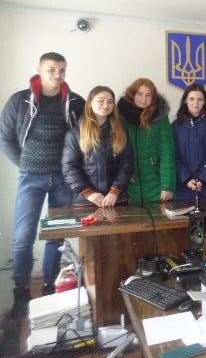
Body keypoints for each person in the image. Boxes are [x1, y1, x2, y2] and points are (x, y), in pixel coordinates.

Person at [0, 52, 85, 315]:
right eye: (51, 69)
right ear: (39, 69)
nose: (57, 74)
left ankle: (50, 284)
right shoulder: (20, 100)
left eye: (62, 69)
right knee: (23, 237)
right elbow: (5, 137)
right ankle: (21, 287)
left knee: (56, 235)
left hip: (63, 178)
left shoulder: (75, 102)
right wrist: (25, 163)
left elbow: (84, 136)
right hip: (31, 177)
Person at [62, 86, 133, 207]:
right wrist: (89, 193)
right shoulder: (75, 134)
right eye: (101, 100)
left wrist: (115, 191)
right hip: (85, 201)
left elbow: (126, 164)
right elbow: (69, 167)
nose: (106, 105)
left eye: (110, 102)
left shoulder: (121, 131)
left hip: (117, 200)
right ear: (90, 103)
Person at [117, 78, 175, 203]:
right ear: (132, 95)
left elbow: (167, 153)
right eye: (140, 94)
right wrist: (123, 172)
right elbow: (113, 151)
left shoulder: (160, 119)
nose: (144, 99)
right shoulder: (120, 118)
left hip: (157, 186)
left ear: (153, 97)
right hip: (128, 188)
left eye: (148, 95)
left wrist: (167, 186)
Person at [172, 84, 206, 201]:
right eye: (191, 99)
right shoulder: (176, 126)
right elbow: (173, 156)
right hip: (185, 189)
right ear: (185, 100)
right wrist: (186, 179)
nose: (195, 103)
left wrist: (204, 178)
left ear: (204, 101)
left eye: (199, 99)